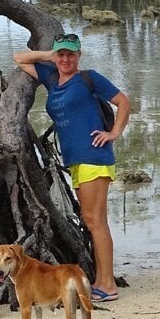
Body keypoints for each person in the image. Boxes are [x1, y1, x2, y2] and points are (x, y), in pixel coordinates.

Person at [14, 33, 130, 302]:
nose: (65, 59)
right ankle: (103, 279)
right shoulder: (52, 78)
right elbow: (19, 58)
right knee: (92, 221)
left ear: (79, 56)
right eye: (61, 54)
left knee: (95, 221)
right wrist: (48, 56)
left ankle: (107, 285)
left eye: (70, 54)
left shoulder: (89, 78)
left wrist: (114, 133)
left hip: (94, 156)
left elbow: (123, 102)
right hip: (77, 160)